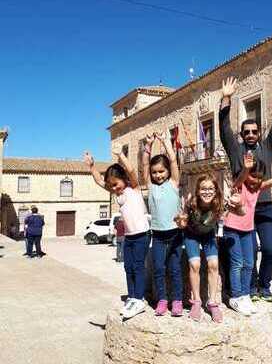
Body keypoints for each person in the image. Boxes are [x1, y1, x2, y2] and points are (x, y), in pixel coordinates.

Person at [219, 75, 272, 302]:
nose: (251, 134)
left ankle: (264, 285)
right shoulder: (235, 150)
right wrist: (226, 98)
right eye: (246, 132)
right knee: (249, 253)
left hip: (265, 208)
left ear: (259, 133)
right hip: (242, 210)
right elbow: (223, 127)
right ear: (242, 135)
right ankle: (250, 287)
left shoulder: (268, 148)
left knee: (270, 250)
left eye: (254, 131)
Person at [224, 153, 272, 316]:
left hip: (247, 230)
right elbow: (241, 178)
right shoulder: (239, 186)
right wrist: (246, 169)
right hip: (232, 228)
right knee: (237, 263)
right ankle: (235, 296)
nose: (256, 181)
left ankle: (245, 295)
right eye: (253, 177)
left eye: (259, 178)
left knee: (249, 264)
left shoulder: (258, 187)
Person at [84, 147, 150, 319]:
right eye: (112, 185)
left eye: (116, 183)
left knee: (137, 266)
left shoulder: (133, 188)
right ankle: (132, 297)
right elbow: (99, 181)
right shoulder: (117, 195)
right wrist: (92, 167)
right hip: (129, 236)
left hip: (142, 234)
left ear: (124, 179)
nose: (114, 188)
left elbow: (132, 171)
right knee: (128, 267)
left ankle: (139, 299)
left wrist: (121, 156)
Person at [142, 131, 183, 317]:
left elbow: (174, 161)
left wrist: (167, 142)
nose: (158, 175)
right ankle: (162, 300)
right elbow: (144, 164)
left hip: (175, 234)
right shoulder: (150, 187)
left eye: (161, 171)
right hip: (157, 235)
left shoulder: (174, 184)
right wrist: (148, 147)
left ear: (167, 172)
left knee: (174, 269)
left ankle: (177, 301)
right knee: (158, 269)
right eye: (154, 172)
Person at [174, 173, 224, 323]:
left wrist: (239, 205)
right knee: (195, 265)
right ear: (197, 190)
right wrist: (180, 222)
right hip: (191, 235)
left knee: (213, 265)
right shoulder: (191, 204)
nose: (207, 192)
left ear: (215, 191)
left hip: (208, 235)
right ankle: (196, 301)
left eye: (210, 189)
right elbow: (180, 220)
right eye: (203, 189)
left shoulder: (218, 204)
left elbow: (239, 211)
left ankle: (212, 302)